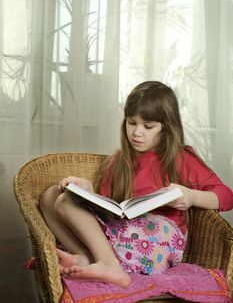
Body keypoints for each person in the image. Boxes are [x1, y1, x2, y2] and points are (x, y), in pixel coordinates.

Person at [40, 81, 233, 288]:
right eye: (132, 123)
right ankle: (87, 257)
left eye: (148, 126)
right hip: (123, 235)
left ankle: (107, 264)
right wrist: (85, 192)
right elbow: (109, 209)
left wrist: (192, 197)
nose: (136, 132)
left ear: (166, 128)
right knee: (51, 196)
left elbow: (227, 196)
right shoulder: (117, 162)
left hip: (155, 245)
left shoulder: (180, 158)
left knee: (65, 203)